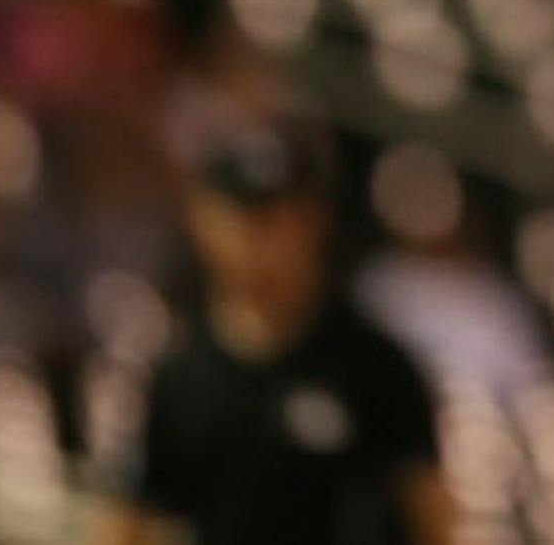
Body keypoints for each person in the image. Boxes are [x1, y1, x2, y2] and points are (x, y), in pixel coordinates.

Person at [94, 115, 456, 545]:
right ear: (205, 221)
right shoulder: (179, 371)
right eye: (250, 218)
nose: (265, 242)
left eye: (285, 218)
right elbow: (131, 517)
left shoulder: (374, 366)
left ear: (317, 223)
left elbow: (432, 515)